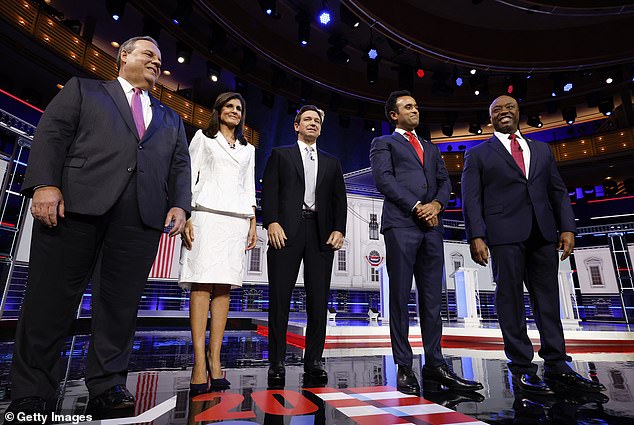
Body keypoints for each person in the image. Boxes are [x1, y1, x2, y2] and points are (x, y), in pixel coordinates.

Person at [4, 36, 191, 418]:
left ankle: (107, 384)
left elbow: (179, 166)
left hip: (139, 219)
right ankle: (32, 389)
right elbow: (51, 134)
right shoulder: (84, 89)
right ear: (124, 57)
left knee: (119, 308)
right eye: (149, 55)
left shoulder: (170, 117)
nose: (157, 63)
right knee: (49, 301)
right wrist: (44, 183)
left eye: (160, 59)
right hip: (74, 208)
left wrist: (179, 205)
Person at [461, 94, 606, 395]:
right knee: (510, 302)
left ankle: (557, 365)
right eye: (496, 109)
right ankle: (522, 369)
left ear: (518, 113)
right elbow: (471, 199)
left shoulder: (541, 149)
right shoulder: (478, 154)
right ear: (491, 119)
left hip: (543, 233)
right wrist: (476, 235)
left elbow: (558, 190)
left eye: (509, 107)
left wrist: (567, 227)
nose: (503, 112)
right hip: (504, 235)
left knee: (548, 301)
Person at [369, 90, 483, 395]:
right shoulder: (384, 143)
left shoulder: (431, 149)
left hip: (433, 228)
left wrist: (436, 205)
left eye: (416, 106)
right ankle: (404, 367)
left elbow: (445, 182)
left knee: (433, 300)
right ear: (393, 115)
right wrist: (416, 206)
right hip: (402, 225)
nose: (415, 110)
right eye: (408, 106)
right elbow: (384, 180)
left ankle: (435, 364)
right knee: (400, 299)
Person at [262, 105, 347, 385]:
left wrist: (339, 229)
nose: (313, 123)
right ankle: (276, 361)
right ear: (296, 126)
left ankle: (313, 360)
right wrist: (271, 221)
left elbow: (339, 200)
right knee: (279, 298)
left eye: (317, 121)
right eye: (307, 119)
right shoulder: (280, 154)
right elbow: (270, 190)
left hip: (321, 233)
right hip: (285, 231)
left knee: (318, 299)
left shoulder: (332, 162)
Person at [179, 92, 257, 395]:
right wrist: (185, 213)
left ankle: (215, 359)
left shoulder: (249, 149)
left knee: (224, 287)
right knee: (201, 284)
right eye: (229, 106)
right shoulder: (203, 137)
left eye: (239, 108)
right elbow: (188, 175)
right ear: (218, 110)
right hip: (205, 215)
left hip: (236, 220)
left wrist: (252, 220)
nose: (235, 111)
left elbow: (248, 185)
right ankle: (199, 362)